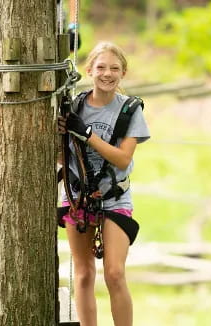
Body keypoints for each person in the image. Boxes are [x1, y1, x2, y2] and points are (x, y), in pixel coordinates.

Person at [58, 42, 150, 326]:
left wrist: (86, 133)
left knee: (114, 273)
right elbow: (62, 155)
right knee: (84, 273)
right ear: (89, 71)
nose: (107, 74)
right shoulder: (74, 107)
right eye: (100, 67)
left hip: (114, 197)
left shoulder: (129, 111)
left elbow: (123, 159)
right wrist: (60, 131)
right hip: (77, 196)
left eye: (114, 68)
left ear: (123, 73)